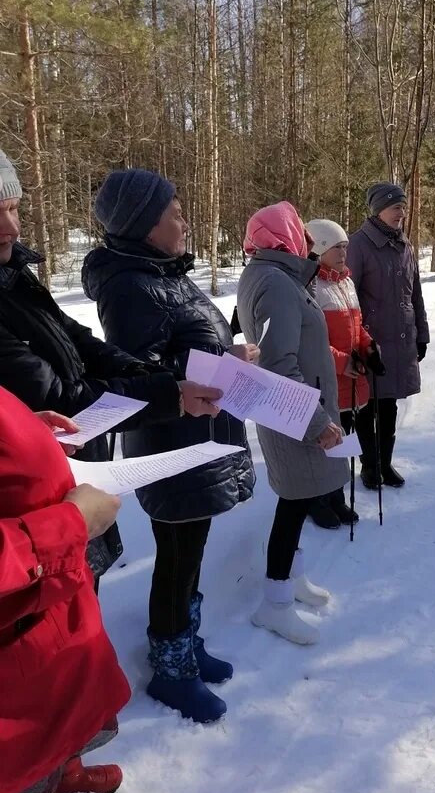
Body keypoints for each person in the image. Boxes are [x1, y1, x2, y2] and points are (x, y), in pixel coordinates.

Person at [0, 149, 223, 584]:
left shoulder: (14, 278)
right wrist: (171, 392)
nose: (10, 227)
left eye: (13, 208)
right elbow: (59, 398)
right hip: (31, 512)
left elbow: (82, 344)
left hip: (75, 481)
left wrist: (164, 383)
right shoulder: (129, 286)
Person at [81, 169, 256, 724]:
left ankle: (187, 638)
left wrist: (231, 357)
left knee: (193, 550)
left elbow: (191, 341)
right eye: (174, 213)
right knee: (176, 557)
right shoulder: (129, 285)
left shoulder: (166, 273)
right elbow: (138, 372)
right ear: (143, 225)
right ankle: (170, 665)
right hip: (171, 443)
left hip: (201, 433)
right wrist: (210, 368)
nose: (184, 220)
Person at [0, 388, 130, 793]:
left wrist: (24, 432)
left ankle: (54, 774)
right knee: (25, 738)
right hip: (19, 607)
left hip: (44, 603)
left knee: (65, 702)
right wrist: (69, 524)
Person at [236, 202, 348, 645]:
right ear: (282, 236)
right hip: (293, 413)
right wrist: (316, 422)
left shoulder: (277, 276)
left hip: (296, 409)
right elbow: (279, 363)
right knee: (293, 505)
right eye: (298, 228)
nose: (306, 235)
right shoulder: (274, 282)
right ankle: (275, 604)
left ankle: (291, 580)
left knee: (300, 501)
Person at [346, 183, 429, 489]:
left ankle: (385, 464)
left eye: (404, 208)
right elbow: (348, 296)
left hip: (402, 338)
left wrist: (422, 333)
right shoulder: (359, 245)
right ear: (379, 209)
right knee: (368, 407)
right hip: (371, 341)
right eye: (396, 207)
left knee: (390, 407)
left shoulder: (405, 245)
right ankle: (369, 467)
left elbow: (415, 293)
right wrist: (355, 342)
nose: (402, 213)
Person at [304, 218, 385, 529]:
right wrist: (342, 362)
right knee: (326, 440)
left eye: (345, 247)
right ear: (319, 249)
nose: (343, 253)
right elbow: (312, 342)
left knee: (344, 439)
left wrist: (369, 349)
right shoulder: (311, 285)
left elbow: (357, 329)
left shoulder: (346, 282)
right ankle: (318, 500)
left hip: (352, 380)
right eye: (336, 247)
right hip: (328, 379)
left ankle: (336, 496)